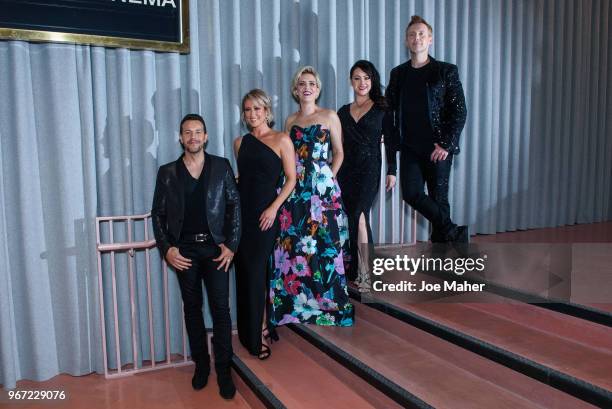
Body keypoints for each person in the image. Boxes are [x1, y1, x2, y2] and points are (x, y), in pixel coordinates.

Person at [151, 113, 240, 399]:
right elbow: (158, 215)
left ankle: (224, 370)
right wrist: (167, 250)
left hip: (216, 251)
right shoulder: (167, 172)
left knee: (221, 310)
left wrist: (231, 246)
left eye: (198, 132)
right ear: (180, 138)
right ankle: (201, 366)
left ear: (206, 136)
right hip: (184, 252)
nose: (193, 137)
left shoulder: (222, 166)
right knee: (192, 310)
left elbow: (234, 207)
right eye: (187, 132)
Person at [270, 66, 354, 327]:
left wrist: (328, 179)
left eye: (312, 83)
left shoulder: (329, 116)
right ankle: (297, 305)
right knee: (296, 246)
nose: (307, 87)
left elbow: (339, 152)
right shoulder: (289, 121)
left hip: (322, 190)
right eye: (302, 83)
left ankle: (329, 304)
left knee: (325, 245)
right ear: (296, 90)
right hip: (295, 189)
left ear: (317, 89)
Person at [385, 15, 468, 243]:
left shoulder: (445, 71)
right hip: (410, 147)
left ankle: (441, 253)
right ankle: (455, 233)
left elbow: (459, 111)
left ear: (430, 39)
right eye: (412, 34)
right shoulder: (398, 74)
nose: (416, 38)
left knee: (439, 199)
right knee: (412, 194)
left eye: (421, 34)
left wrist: (447, 144)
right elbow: (389, 110)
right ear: (406, 41)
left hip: (438, 147)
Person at [233, 89, 296, 360]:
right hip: (241, 216)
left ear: (266, 111)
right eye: (247, 110)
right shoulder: (239, 142)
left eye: (257, 109)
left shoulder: (282, 139)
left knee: (258, 272)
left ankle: (259, 331)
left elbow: (291, 180)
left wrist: (273, 207)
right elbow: (244, 178)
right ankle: (250, 330)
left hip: (266, 216)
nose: (252, 114)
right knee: (244, 272)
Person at [337, 60, 392, 292]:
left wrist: (392, 170)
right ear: (351, 81)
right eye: (357, 78)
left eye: (367, 78)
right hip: (345, 171)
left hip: (369, 169)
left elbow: (391, 140)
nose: (362, 83)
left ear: (373, 80)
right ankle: (357, 269)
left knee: (359, 215)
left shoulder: (382, 108)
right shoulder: (341, 111)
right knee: (353, 218)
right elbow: (336, 145)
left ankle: (366, 274)